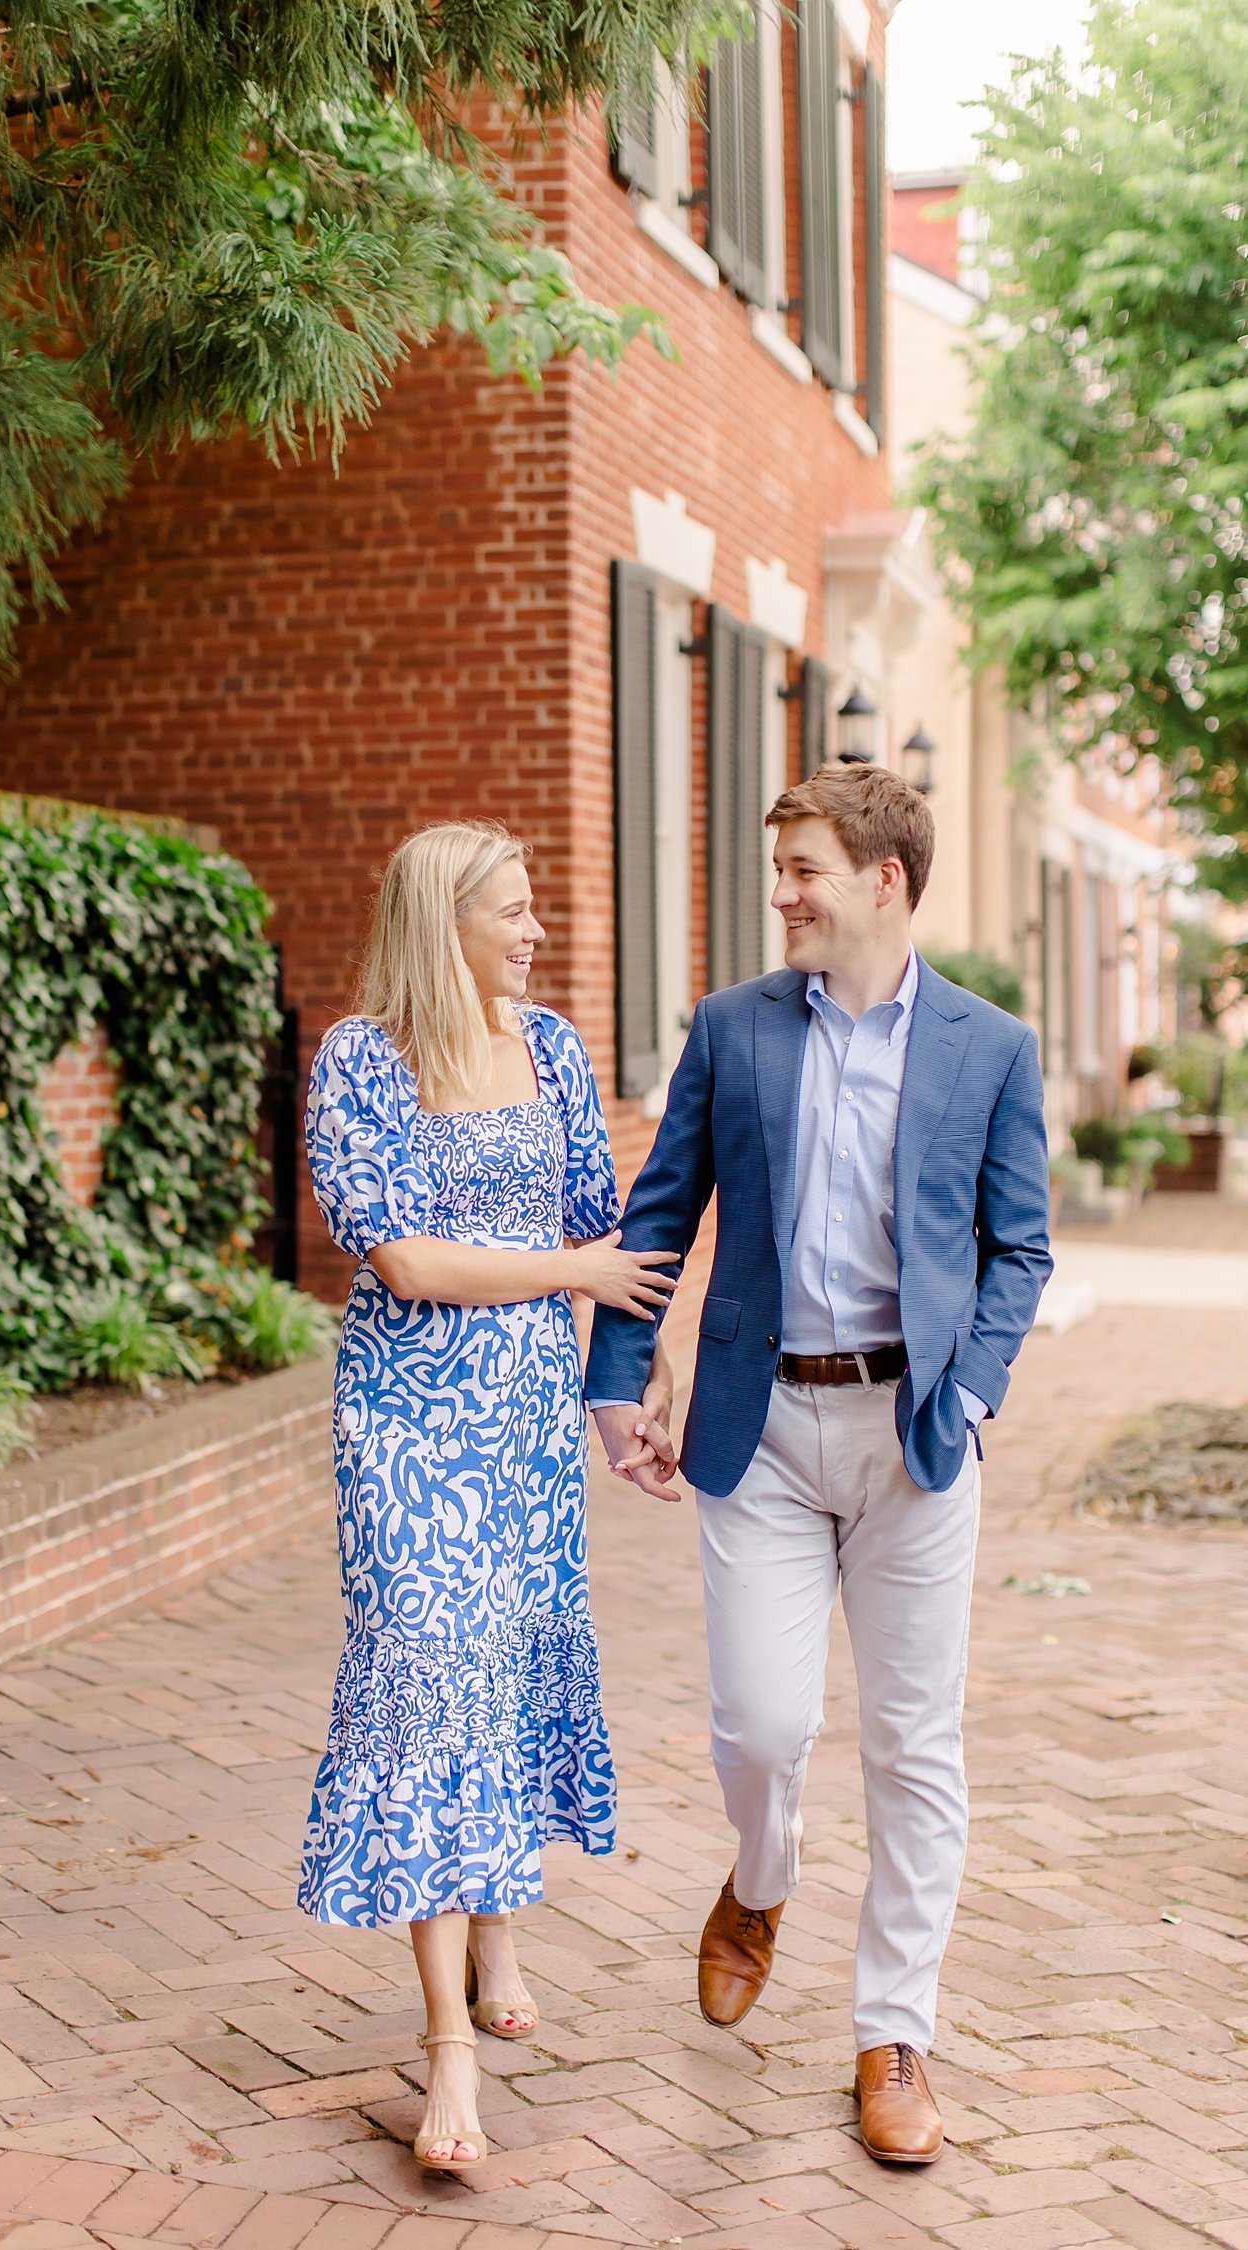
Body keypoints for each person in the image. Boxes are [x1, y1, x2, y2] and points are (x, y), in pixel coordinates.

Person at [587, 765, 1052, 2166]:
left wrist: (969, 1393)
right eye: (777, 867)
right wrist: (619, 1383)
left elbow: (1019, 1243)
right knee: (764, 1727)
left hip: (916, 1435)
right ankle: (760, 1877)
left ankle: (893, 2030)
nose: (779, 893)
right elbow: (660, 1210)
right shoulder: (733, 1031)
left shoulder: (990, 1047)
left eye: (800, 869)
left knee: (916, 1746)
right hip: (763, 1428)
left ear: (885, 882)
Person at [300, 819, 675, 2174]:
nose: (533, 930)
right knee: (428, 1677)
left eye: (533, 908)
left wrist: (637, 1380)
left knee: (503, 1666)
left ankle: (499, 1914)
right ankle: (446, 2043)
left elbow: (603, 1231)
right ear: (437, 918)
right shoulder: (361, 1059)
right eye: (508, 911)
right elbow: (404, 1261)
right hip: (405, 1424)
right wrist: (570, 1274)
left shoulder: (559, 1049)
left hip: (523, 1425)